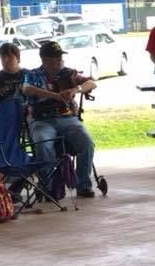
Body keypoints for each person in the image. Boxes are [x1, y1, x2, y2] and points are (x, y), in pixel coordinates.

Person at [23, 40, 98, 198]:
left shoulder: (69, 73)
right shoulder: (33, 74)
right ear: (44, 59)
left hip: (68, 119)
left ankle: (83, 184)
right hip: (41, 121)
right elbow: (27, 88)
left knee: (87, 143)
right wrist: (55, 96)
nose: (60, 60)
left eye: (60, 57)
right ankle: (50, 187)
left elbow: (91, 83)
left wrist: (75, 90)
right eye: (55, 57)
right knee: (43, 144)